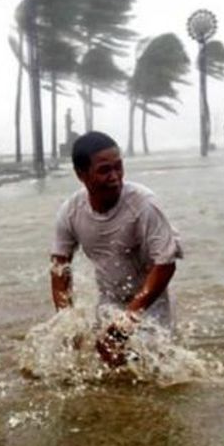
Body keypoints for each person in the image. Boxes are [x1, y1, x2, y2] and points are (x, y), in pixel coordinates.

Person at [50, 131, 182, 366]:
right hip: (109, 301)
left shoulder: (143, 204)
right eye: (104, 170)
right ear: (81, 174)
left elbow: (166, 264)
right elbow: (59, 267)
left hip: (149, 302)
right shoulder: (71, 211)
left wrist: (130, 317)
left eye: (118, 167)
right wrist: (66, 320)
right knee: (104, 365)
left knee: (149, 365)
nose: (115, 177)